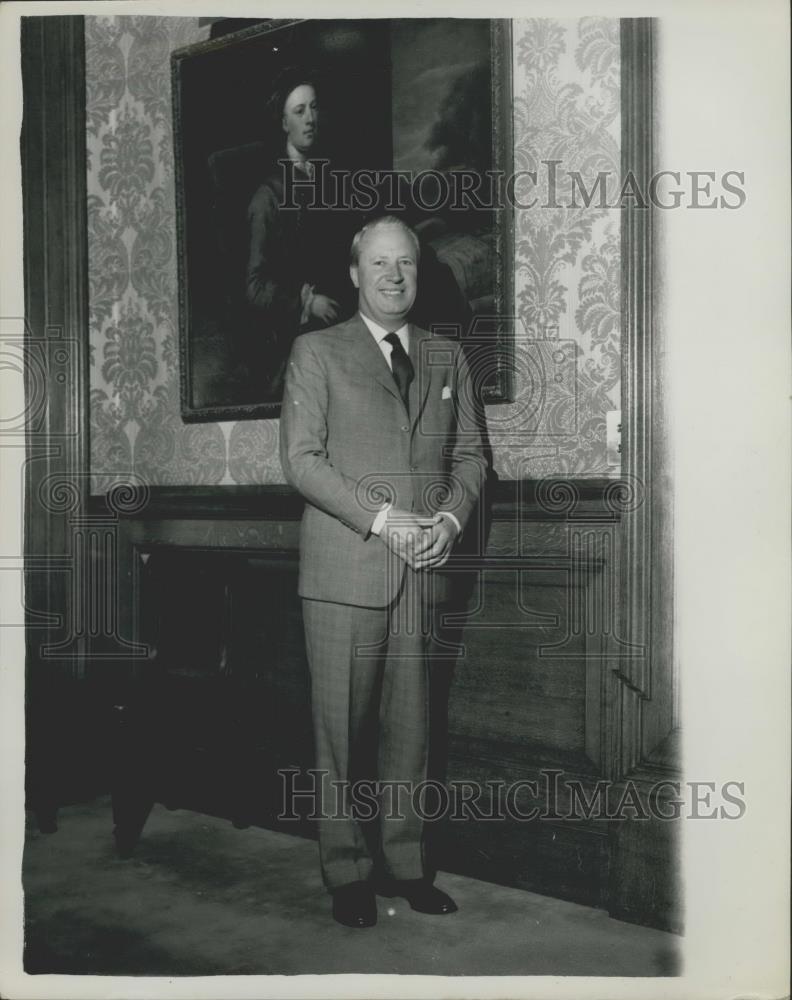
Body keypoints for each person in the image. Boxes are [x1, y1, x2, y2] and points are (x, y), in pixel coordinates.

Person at [280, 216, 486, 928]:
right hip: (347, 568)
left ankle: (406, 866)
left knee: (411, 732)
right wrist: (384, 519)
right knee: (340, 734)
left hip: (425, 571)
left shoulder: (447, 356)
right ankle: (346, 872)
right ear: (354, 273)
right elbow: (303, 462)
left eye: (406, 264)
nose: (394, 276)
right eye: (379, 264)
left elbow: (471, 459)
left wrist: (450, 522)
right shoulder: (316, 352)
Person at [245, 69, 354, 396]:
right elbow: (255, 287)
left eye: (315, 107)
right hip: (299, 329)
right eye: (299, 111)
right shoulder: (268, 197)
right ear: (283, 123)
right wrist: (307, 303)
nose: (310, 118)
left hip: (344, 308)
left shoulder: (330, 177)